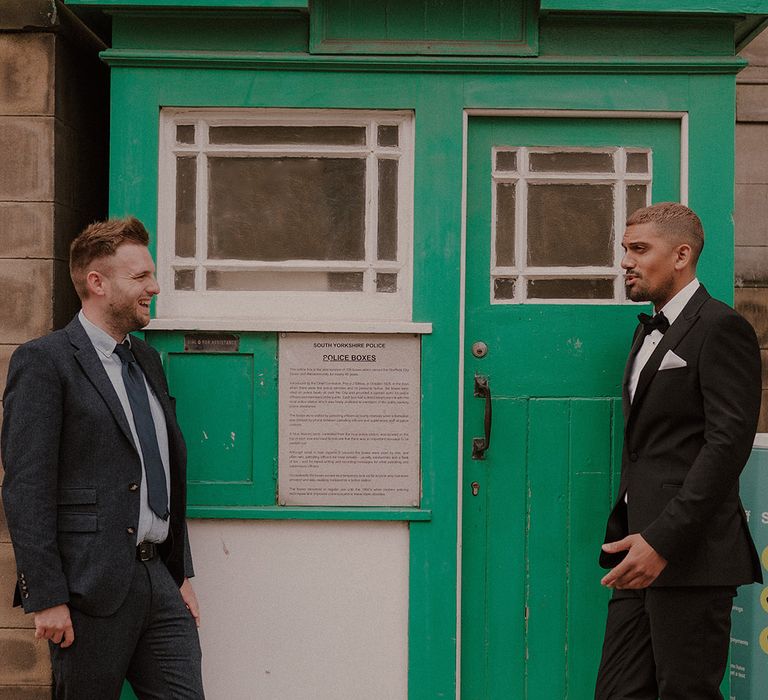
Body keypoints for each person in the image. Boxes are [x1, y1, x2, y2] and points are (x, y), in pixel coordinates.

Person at [1, 216, 204, 699]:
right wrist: (45, 597)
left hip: (159, 579)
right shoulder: (45, 362)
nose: (153, 287)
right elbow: (26, 486)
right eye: (140, 277)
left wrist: (181, 573)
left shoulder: (147, 360)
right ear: (97, 282)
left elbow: (165, 473)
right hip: (88, 589)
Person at [594, 202, 763, 700]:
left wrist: (663, 541)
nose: (626, 260)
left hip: (689, 555)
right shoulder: (645, 329)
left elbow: (726, 445)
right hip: (636, 551)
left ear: (682, 254)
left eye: (639, 249)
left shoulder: (721, 326)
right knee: (618, 693)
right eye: (625, 248)